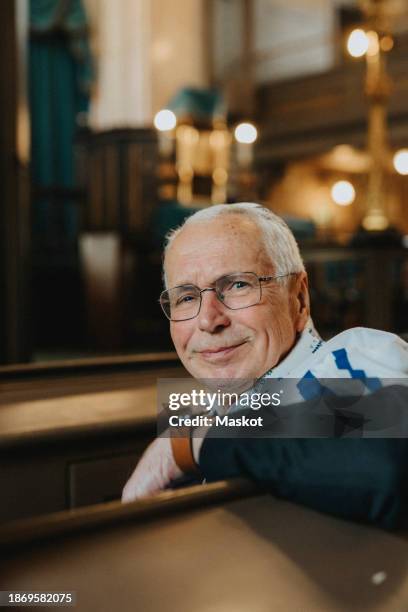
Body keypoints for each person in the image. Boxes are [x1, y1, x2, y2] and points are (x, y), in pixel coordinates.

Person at [122, 203, 408, 528]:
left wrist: (192, 442)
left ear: (299, 298)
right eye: (186, 297)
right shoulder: (212, 415)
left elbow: (384, 465)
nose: (208, 320)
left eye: (237, 285)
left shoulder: (352, 358)